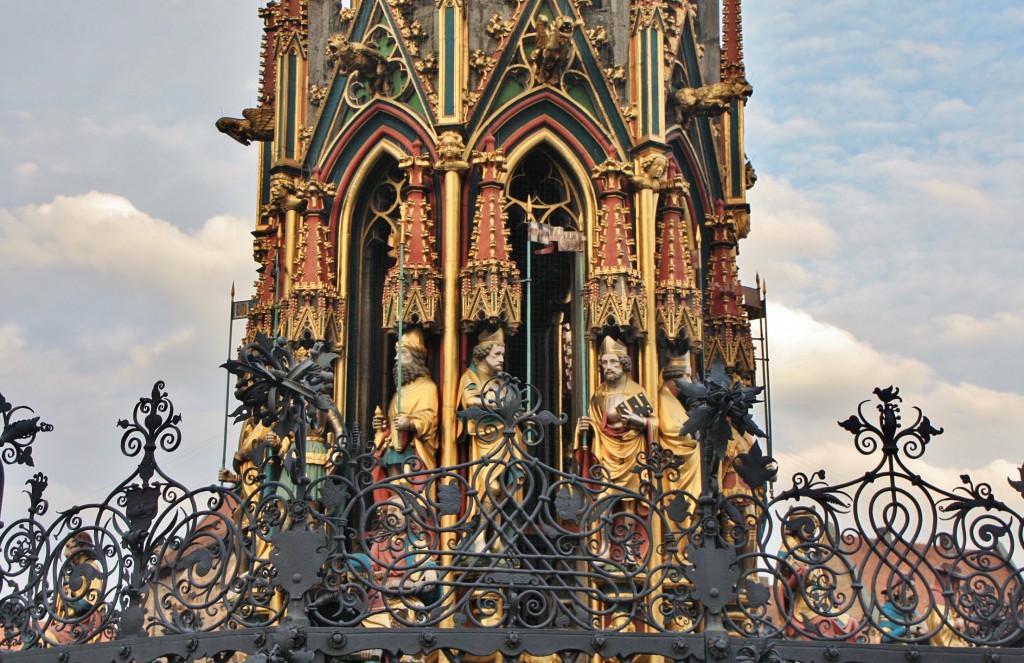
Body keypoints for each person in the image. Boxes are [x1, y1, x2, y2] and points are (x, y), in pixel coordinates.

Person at [457, 326, 523, 554]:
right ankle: (478, 538)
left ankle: (495, 536)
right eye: (497, 354)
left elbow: (515, 405)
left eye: (502, 354)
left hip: (508, 439)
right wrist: (493, 404)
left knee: (504, 488)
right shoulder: (471, 376)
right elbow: (469, 399)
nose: (501, 359)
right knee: (490, 486)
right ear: (483, 354)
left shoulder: (501, 381)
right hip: (486, 438)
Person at [373, 328, 439, 483]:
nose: (396, 358)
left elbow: (431, 418)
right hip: (393, 450)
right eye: (397, 353)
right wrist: (381, 427)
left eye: (402, 353)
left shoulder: (427, 387)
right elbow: (392, 423)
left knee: (408, 486)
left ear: (416, 357)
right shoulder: (399, 392)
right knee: (394, 487)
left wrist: (410, 423)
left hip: (412, 449)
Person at [656, 350, 700, 531]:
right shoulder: (663, 398)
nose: (690, 382)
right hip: (677, 464)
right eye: (686, 376)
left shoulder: (674, 401)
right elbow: (671, 430)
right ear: (673, 378)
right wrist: (693, 440)